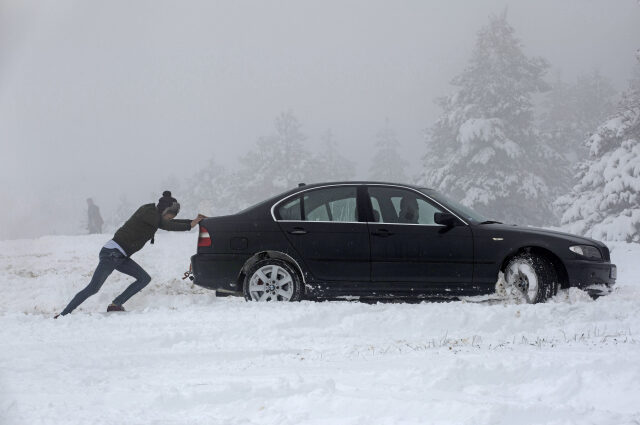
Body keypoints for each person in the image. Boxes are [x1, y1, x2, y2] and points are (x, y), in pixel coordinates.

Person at [56, 191, 205, 317]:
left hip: (120, 256)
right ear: (164, 211)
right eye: (169, 216)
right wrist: (189, 225)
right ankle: (64, 314)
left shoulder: (155, 214)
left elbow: (169, 222)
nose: (169, 219)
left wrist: (193, 221)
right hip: (111, 254)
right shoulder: (149, 213)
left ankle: (116, 305)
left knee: (144, 278)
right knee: (93, 288)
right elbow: (166, 225)